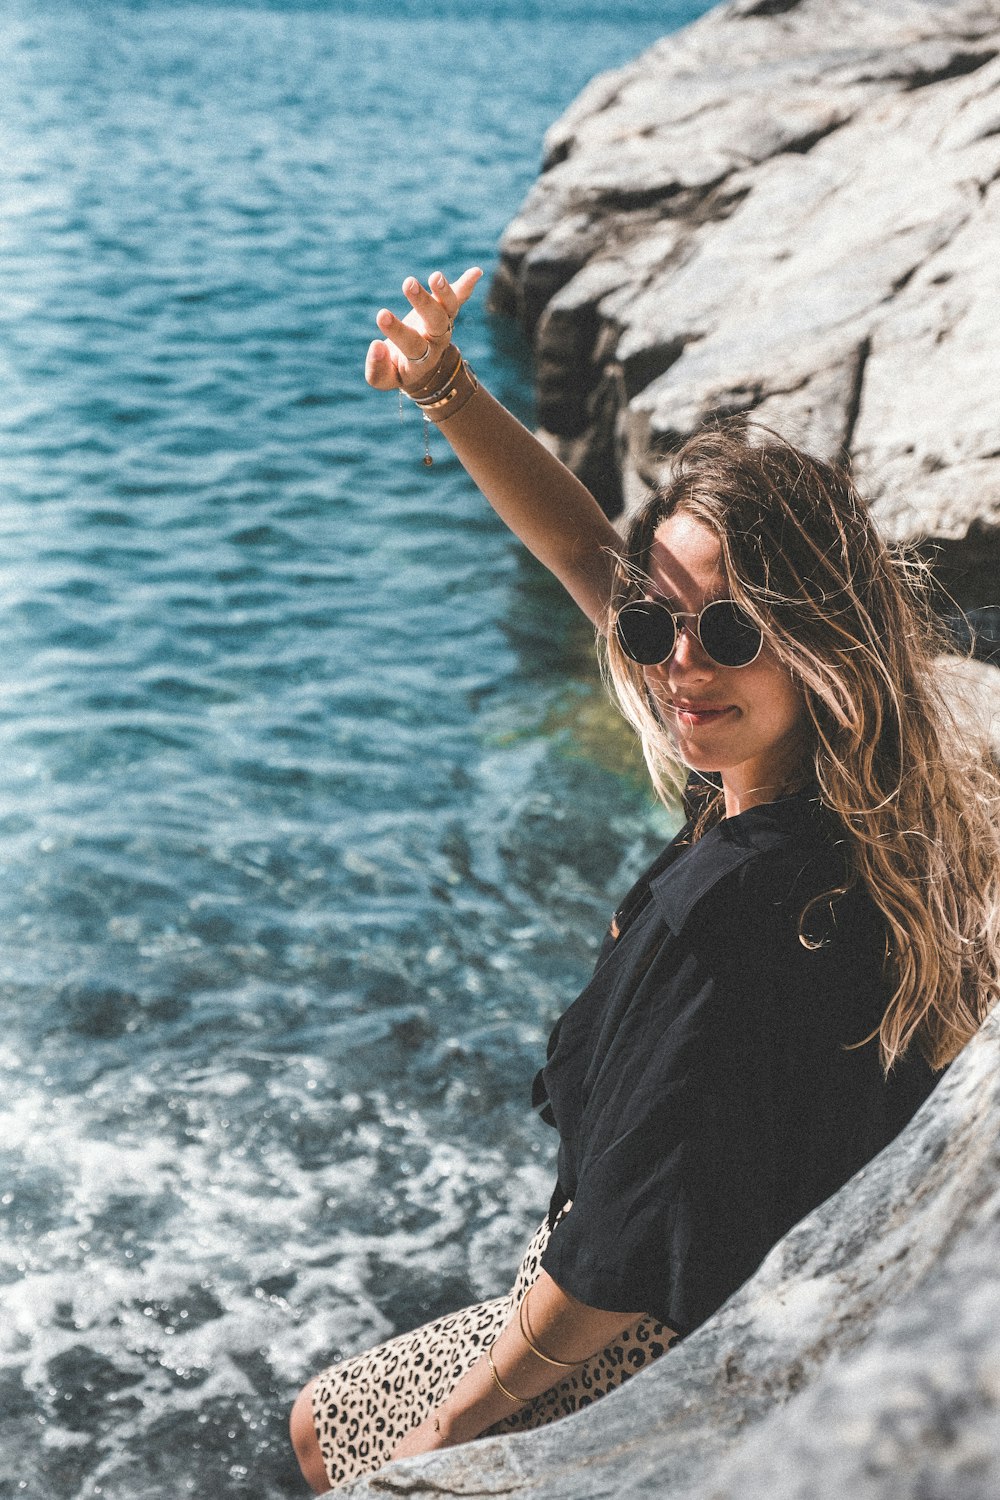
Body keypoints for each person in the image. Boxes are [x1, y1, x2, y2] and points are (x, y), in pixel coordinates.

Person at [290, 269, 1000, 1492]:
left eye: (727, 632)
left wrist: (445, 1438)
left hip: (664, 1337)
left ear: (817, 635)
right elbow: (580, 546)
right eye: (652, 625)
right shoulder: (859, 796)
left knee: (326, 1431)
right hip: (775, 1281)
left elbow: (610, 1260)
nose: (677, 664)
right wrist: (448, 388)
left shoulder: (726, 907)